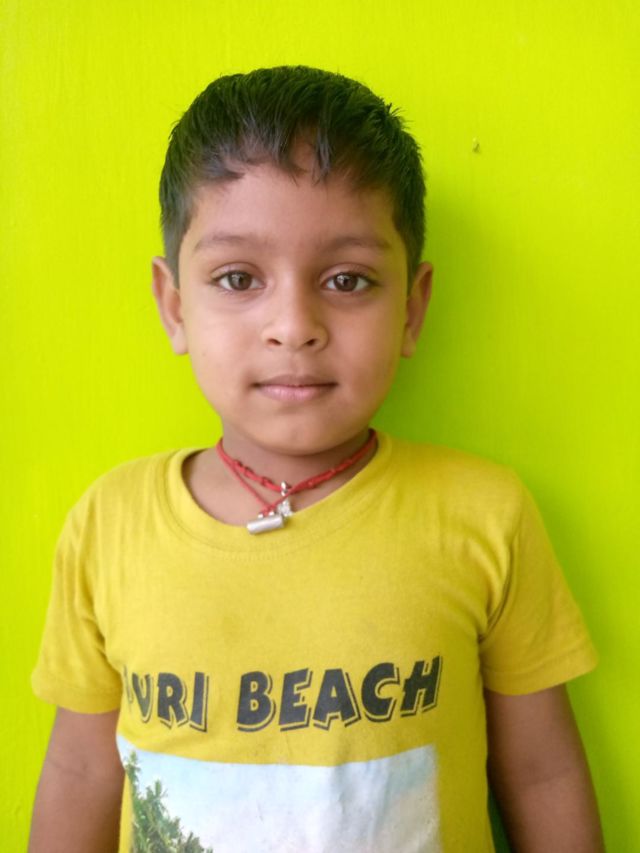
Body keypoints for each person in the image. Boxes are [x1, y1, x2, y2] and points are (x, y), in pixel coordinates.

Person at [29, 66, 604, 852]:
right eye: (238, 278)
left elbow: (540, 773)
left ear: (413, 307)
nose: (293, 324)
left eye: (347, 279)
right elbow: (80, 772)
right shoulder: (108, 524)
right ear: (174, 305)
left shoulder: (485, 516)